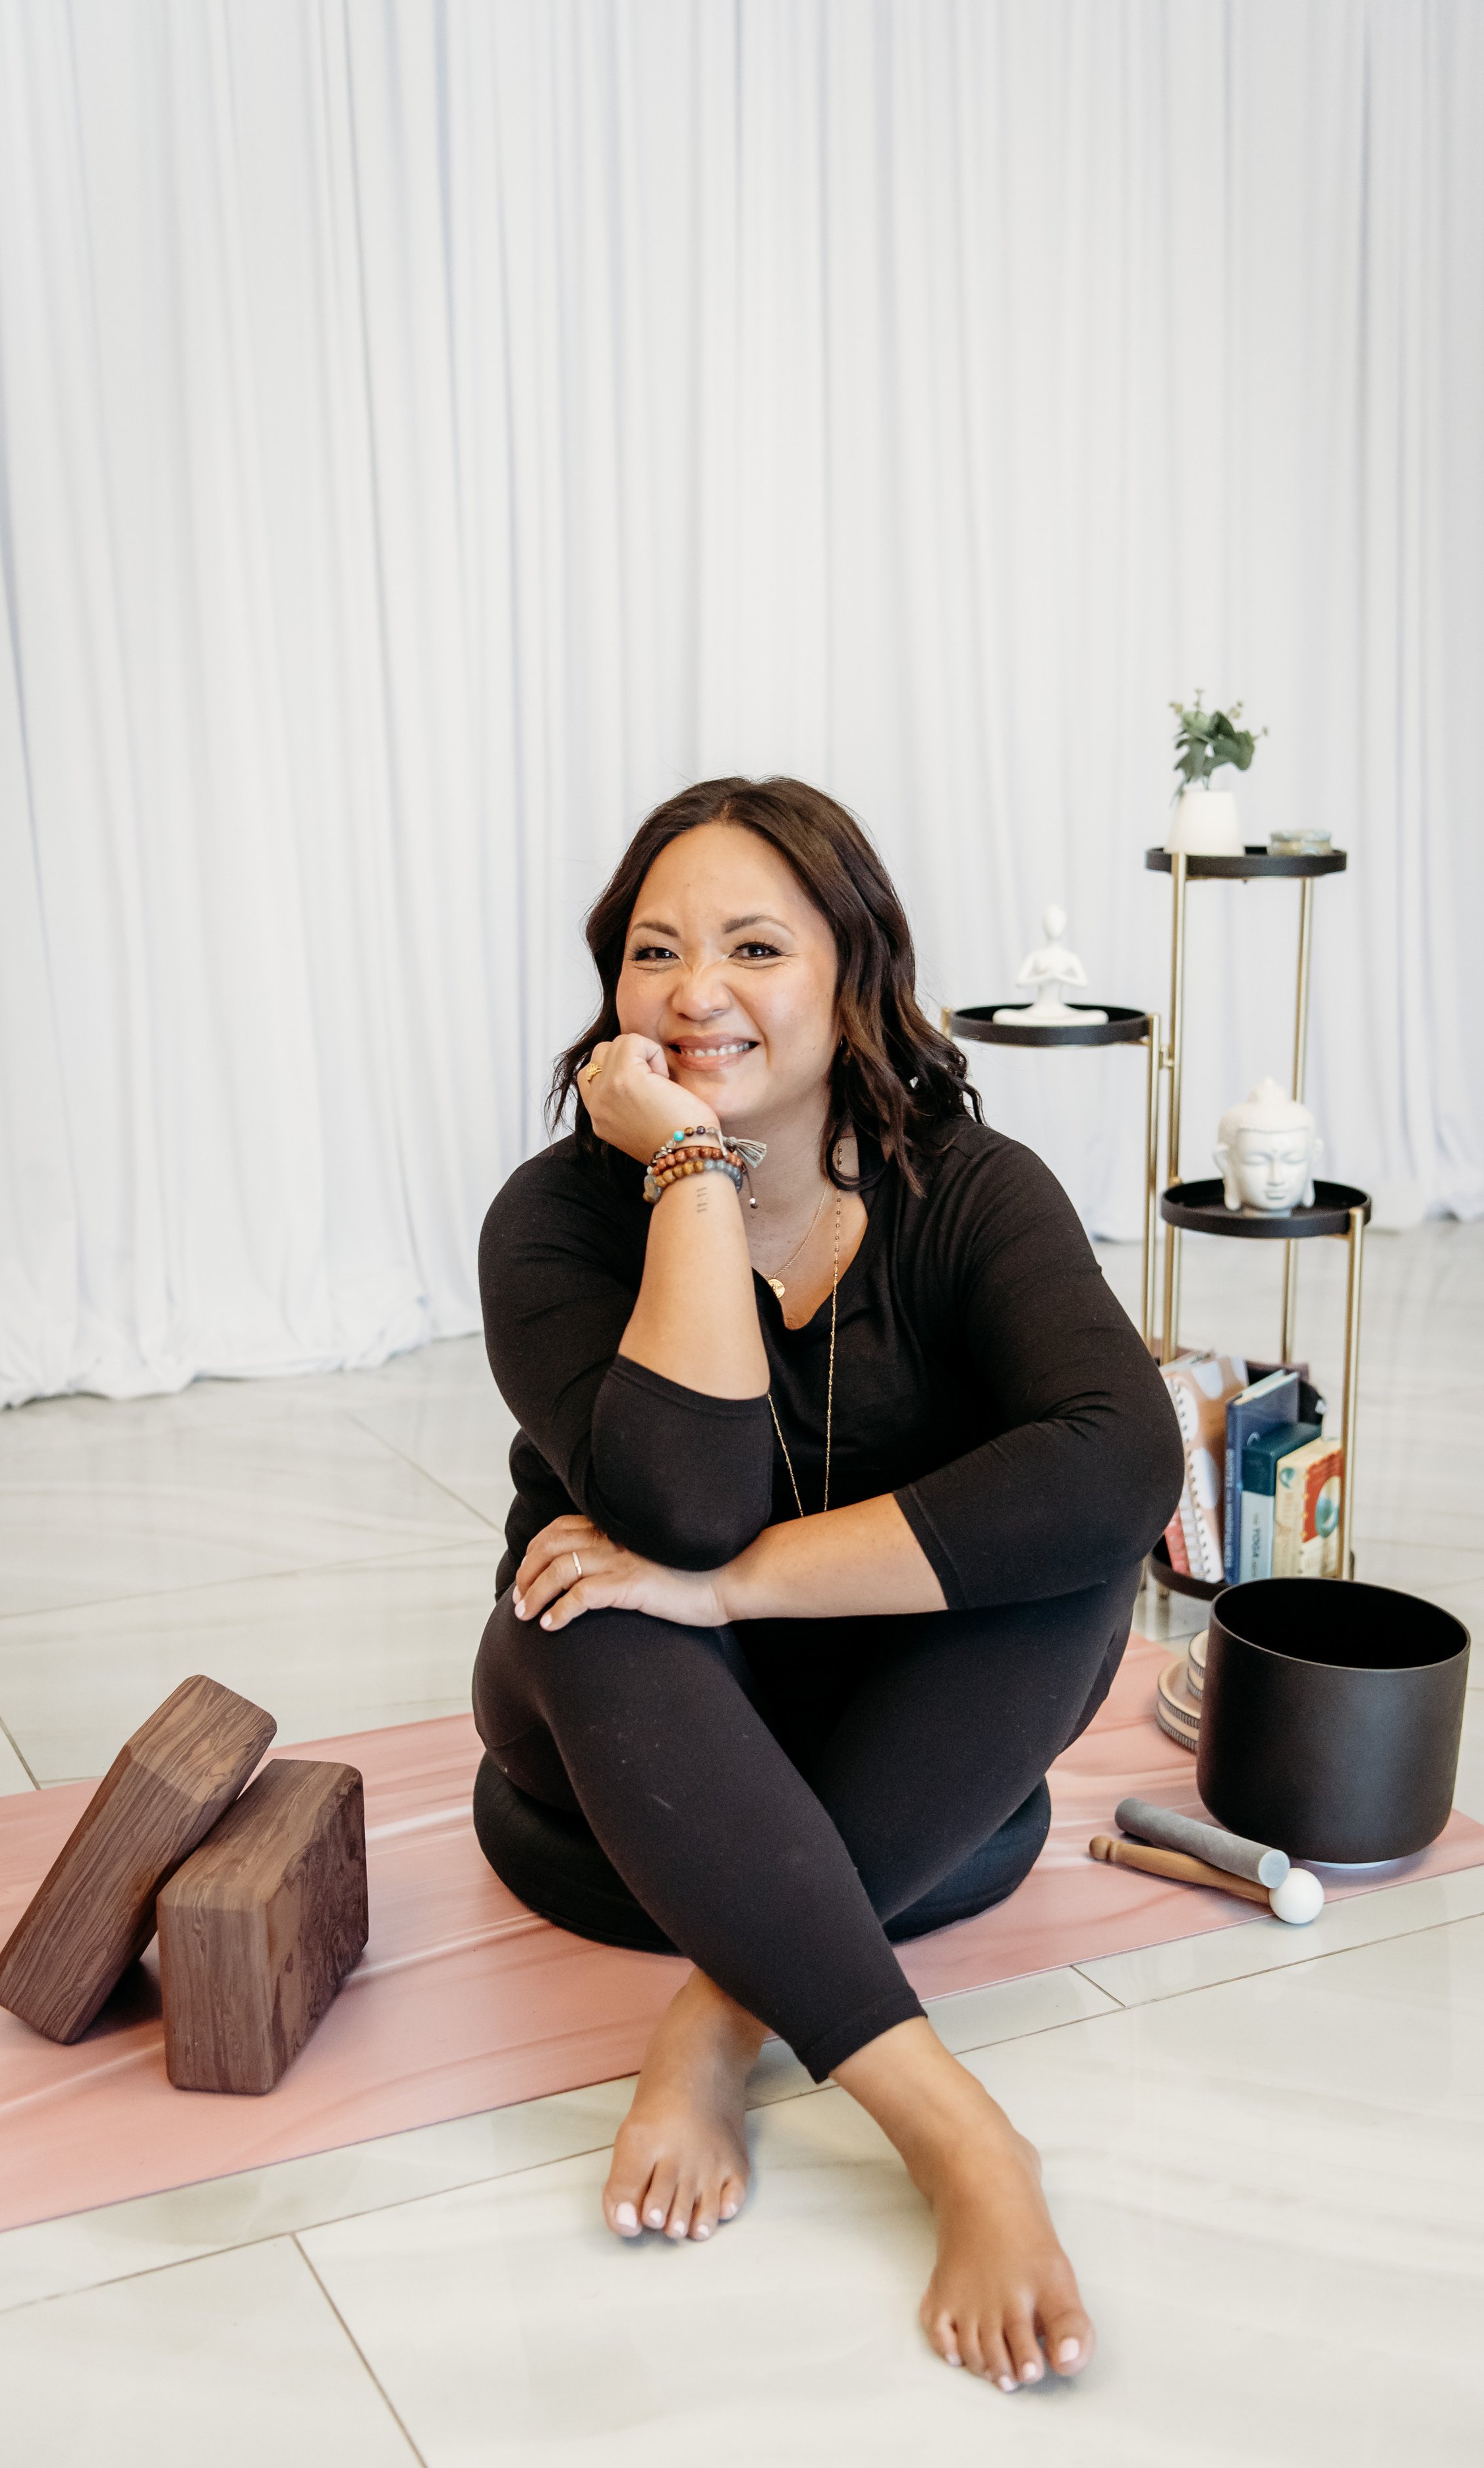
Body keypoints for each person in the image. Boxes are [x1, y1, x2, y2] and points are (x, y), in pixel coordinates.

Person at [471, 776, 1182, 2394]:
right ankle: (956, 2132)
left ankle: (721, 2016)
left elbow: (1119, 1458)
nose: (693, 990)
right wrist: (695, 1171)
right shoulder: (551, 1222)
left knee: (1073, 1563)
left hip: (883, 1693)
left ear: (852, 974)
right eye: (654, 951)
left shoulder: (964, 1189)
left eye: (750, 945)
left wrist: (743, 1588)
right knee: (596, 1593)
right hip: (626, 1726)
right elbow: (679, 1503)